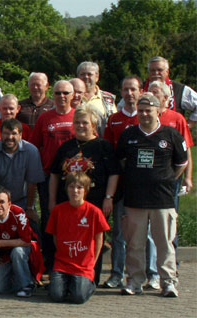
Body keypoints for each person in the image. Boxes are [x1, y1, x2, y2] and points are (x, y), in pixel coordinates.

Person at [116, 94, 188, 297]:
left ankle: (168, 282)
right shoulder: (128, 135)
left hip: (162, 199)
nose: (144, 114)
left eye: (149, 110)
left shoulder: (171, 135)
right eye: (141, 111)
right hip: (135, 200)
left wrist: (165, 179)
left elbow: (181, 164)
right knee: (135, 244)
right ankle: (135, 282)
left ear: (159, 111)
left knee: (165, 244)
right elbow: (121, 162)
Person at [49, 108, 120, 285]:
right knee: (68, 238)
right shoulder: (66, 147)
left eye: (85, 122)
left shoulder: (103, 147)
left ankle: (90, 278)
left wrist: (109, 197)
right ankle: (66, 275)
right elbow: (55, 174)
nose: (80, 126)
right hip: (67, 202)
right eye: (77, 123)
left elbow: (114, 173)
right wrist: (51, 201)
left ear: (93, 125)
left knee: (93, 241)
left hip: (95, 202)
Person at [101, 76, 159, 290]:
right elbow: (110, 154)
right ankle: (117, 273)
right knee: (119, 232)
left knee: (148, 232)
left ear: (139, 91)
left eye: (133, 89)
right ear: (121, 92)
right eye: (125, 89)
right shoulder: (114, 119)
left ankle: (151, 273)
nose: (129, 93)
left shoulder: (146, 117)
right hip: (120, 184)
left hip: (144, 186)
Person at [29, 80, 76, 273]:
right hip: (49, 176)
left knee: (72, 219)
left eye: (66, 93)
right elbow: (34, 147)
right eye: (58, 93)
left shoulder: (78, 117)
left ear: (72, 95)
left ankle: (70, 260)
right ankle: (49, 261)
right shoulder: (45, 118)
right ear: (53, 95)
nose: (62, 96)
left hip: (74, 179)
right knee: (50, 219)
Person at [46, 173, 109, 304]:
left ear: (85, 190)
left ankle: (88, 285)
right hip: (62, 264)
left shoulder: (94, 212)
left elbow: (99, 240)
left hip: (83, 265)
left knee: (78, 298)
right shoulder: (58, 211)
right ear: (66, 189)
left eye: (79, 187)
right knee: (56, 296)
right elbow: (55, 237)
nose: (75, 191)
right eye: (71, 187)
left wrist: (93, 262)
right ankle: (68, 283)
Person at [0, 119, 45, 224]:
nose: (10, 137)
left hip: (21, 201)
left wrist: (30, 208)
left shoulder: (31, 151)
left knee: (35, 231)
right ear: (0, 134)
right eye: (6, 133)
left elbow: (32, 184)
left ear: (21, 135)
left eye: (14, 133)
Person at [148, 80, 194, 203]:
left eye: (155, 92)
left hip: (171, 173)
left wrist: (188, 177)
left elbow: (186, 149)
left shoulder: (177, 119)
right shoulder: (142, 116)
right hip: (146, 173)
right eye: (149, 91)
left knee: (168, 210)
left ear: (165, 98)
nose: (151, 94)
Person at [144, 56, 197, 123]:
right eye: (152, 70)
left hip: (172, 130)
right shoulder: (139, 88)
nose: (156, 73)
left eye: (159, 70)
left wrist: (188, 125)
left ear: (167, 71)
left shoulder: (179, 89)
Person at [76, 61, 116, 135]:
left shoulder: (108, 98)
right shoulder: (72, 97)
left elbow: (113, 121)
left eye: (89, 74)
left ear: (97, 77)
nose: (86, 77)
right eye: (82, 74)